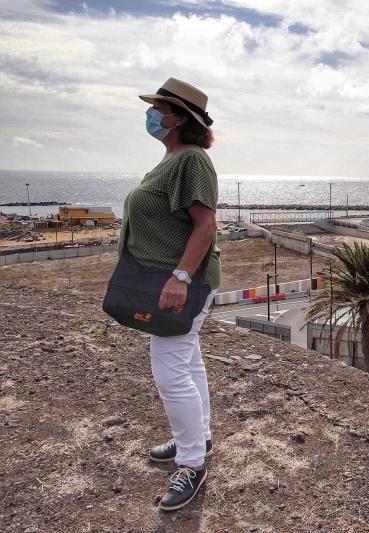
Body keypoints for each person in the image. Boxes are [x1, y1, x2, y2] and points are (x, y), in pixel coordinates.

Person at [121, 77, 221, 511]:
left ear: (180, 118)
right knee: (187, 360)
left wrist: (179, 277)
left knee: (170, 370)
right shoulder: (171, 160)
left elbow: (206, 225)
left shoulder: (192, 160)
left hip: (184, 281)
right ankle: (198, 439)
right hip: (169, 278)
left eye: (160, 107)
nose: (153, 114)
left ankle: (192, 462)